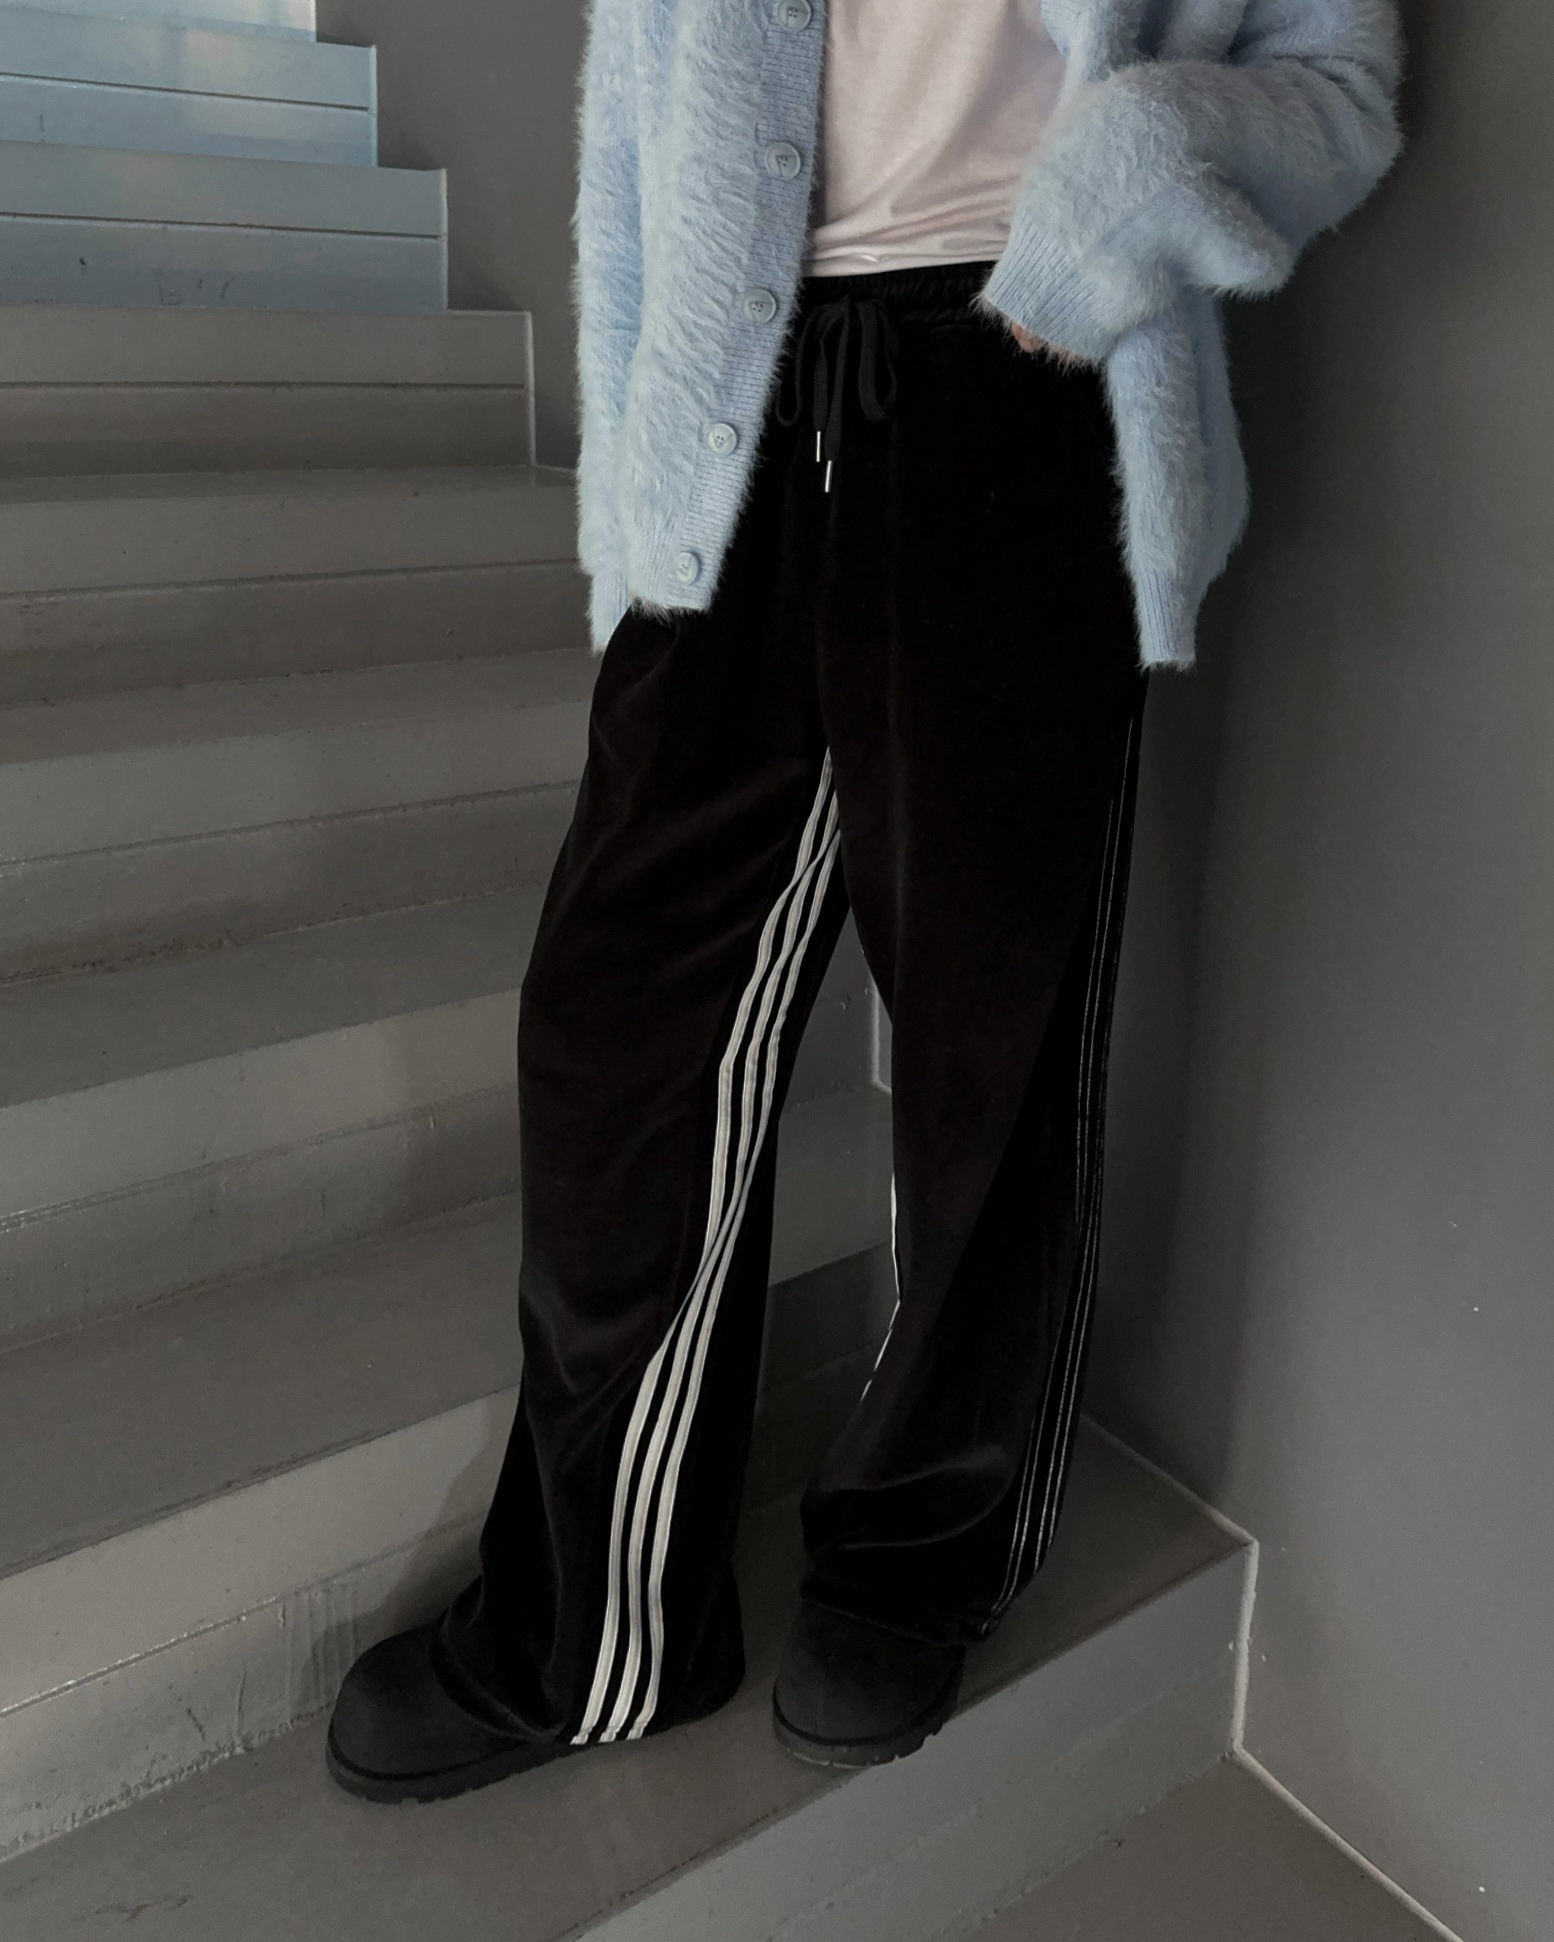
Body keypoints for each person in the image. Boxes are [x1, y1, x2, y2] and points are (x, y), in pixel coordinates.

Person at [325, 0, 1402, 1801]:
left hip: (1019, 381)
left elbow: (1337, 85)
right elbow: (630, 142)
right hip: (730, 408)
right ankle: (600, 1621)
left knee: (991, 1032)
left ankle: (919, 1550)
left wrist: (1116, 199)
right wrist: (636, 505)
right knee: (614, 1028)